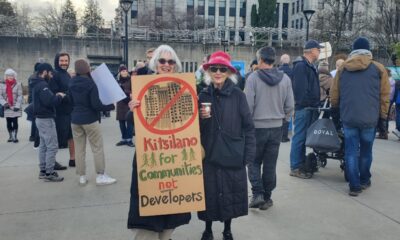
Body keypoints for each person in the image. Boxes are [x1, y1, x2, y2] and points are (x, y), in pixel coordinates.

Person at [127, 45, 190, 240]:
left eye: (171, 62)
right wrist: (133, 109)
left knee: (172, 208)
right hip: (151, 155)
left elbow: (189, 122)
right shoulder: (142, 86)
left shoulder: (183, 87)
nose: (166, 65)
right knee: (149, 213)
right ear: (155, 63)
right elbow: (133, 124)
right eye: (162, 61)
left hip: (174, 156)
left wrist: (199, 111)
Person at [198, 51, 256, 240]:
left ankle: (227, 229)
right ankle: (208, 229)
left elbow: (248, 126)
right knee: (209, 193)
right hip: (208, 153)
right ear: (209, 71)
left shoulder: (238, 95)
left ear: (228, 72)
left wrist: (248, 155)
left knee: (230, 193)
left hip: (232, 153)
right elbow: (193, 124)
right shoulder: (203, 94)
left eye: (222, 69)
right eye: (214, 68)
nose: (218, 72)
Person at [331, 37, 390, 196]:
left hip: (349, 116)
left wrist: (335, 109)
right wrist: (383, 117)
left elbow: (334, 92)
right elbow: (384, 95)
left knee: (350, 150)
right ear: (368, 50)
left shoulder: (343, 68)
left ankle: (354, 185)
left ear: (353, 50)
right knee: (366, 150)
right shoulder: (379, 68)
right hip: (370, 118)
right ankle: (364, 179)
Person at [245, 47, 294, 211]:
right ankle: (267, 197)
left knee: (252, 162)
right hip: (276, 127)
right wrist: (284, 120)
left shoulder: (253, 78)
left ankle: (257, 193)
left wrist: (247, 125)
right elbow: (290, 105)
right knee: (270, 164)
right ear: (274, 60)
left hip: (257, 127)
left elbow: (248, 106)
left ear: (259, 60)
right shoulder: (285, 79)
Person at [68, 59, 116, 186]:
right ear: (87, 69)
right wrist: (110, 106)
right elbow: (96, 105)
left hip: (75, 120)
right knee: (97, 148)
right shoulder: (91, 84)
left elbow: (70, 101)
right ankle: (100, 176)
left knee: (79, 149)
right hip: (90, 119)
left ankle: (82, 176)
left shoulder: (71, 82)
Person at [289, 40, 323, 179]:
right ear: (311, 50)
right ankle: (296, 166)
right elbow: (300, 90)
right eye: (318, 49)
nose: (319, 51)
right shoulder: (301, 66)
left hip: (309, 107)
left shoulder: (308, 66)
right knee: (299, 137)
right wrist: (307, 104)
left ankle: (300, 164)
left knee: (302, 138)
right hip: (304, 108)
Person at [31, 63, 66, 182]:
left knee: (43, 145)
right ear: (45, 72)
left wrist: (53, 96)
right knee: (52, 146)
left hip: (40, 119)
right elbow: (50, 101)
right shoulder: (43, 85)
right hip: (46, 119)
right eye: (50, 73)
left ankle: (43, 170)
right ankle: (49, 172)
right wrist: (60, 96)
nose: (51, 76)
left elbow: (45, 99)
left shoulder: (36, 83)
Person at [50, 52, 75, 168]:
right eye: (62, 61)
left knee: (71, 135)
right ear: (57, 61)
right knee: (57, 138)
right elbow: (54, 92)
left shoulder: (67, 74)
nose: (64, 63)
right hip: (59, 112)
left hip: (69, 110)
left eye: (66, 61)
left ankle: (72, 159)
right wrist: (66, 95)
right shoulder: (54, 75)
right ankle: (52, 162)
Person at [0, 69, 23, 143]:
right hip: (7, 106)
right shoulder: (2, 84)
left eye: (12, 75)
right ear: (6, 76)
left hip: (15, 105)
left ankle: (15, 136)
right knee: (8, 121)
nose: (10, 77)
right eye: (8, 75)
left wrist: (17, 105)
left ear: (14, 76)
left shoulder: (18, 84)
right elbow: (0, 96)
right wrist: (4, 103)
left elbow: (20, 95)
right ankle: (10, 136)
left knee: (15, 121)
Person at [115, 65, 134, 147]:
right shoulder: (117, 81)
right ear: (120, 72)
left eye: (125, 71)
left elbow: (133, 90)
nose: (125, 72)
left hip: (128, 103)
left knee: (129, 122)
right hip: (120, 104)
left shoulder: (131, 80)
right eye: (123, 71)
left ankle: (129, 139)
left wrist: (125, 91)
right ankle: (124, 139)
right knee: (121, 122)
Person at [279, 54, 293, 142]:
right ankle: (284, 136)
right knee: (287, 116)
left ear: (281, 60)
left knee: (279, 115)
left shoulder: (277, 71)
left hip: (279, 95)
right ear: (289, 61)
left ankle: (278, 135)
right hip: (289, 95)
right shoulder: (292, 71)